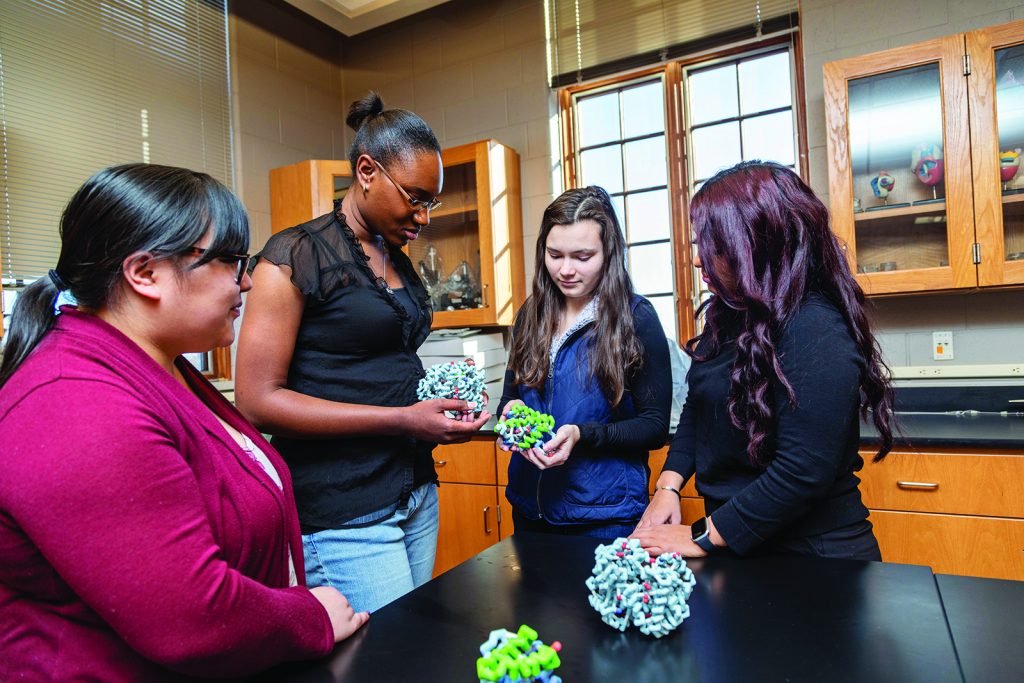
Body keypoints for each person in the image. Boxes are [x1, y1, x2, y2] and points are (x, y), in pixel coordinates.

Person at [0, 164, 366, 681]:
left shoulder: (158, 365)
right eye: (230, 262)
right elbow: (189, 617)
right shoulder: (72, 401)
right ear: (145, 273)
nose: (245, 281)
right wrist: (309, 617)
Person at [235, 92, 489, 615]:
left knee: (412, 649)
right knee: (384, 665)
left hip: (415, 493)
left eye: (431, 203)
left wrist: (446, 393)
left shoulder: (395, 255)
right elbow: (256, 402)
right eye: (414, 197)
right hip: (345, 512)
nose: (423, 217)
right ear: (367, 171)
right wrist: (402, 420)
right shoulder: (295, 256)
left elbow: (377, 361)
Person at [631, 160, 895, 561]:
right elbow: (699, 407)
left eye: (713, 245)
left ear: (759, 244)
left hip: (812, 560)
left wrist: (702, 536)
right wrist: (668, 487)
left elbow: (802, 472)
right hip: (737, 542)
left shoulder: (815, 326)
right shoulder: (731, 312)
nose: (699, 260)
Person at [497, 186, 672, 539]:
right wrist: (510, 415)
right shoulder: (530, 315)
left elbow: (654, 426)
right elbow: (509, 397)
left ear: (608, 253)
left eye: (582, 256)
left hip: (604, 518)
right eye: (554, 254)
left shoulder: (635, 318)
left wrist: (582, 435)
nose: (565, 269)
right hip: (529, 511)